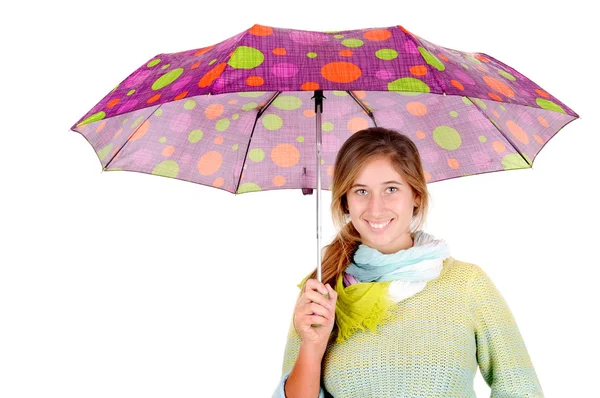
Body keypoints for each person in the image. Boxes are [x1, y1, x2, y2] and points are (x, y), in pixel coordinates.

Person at [272, 127, 544, 397]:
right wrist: (312, 345)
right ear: (345, 201)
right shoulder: (323, 292)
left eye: (391, 189)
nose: (376, 208)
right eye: (361, 191)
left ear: (415, 194)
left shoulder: (466, 285)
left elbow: (520, 388)